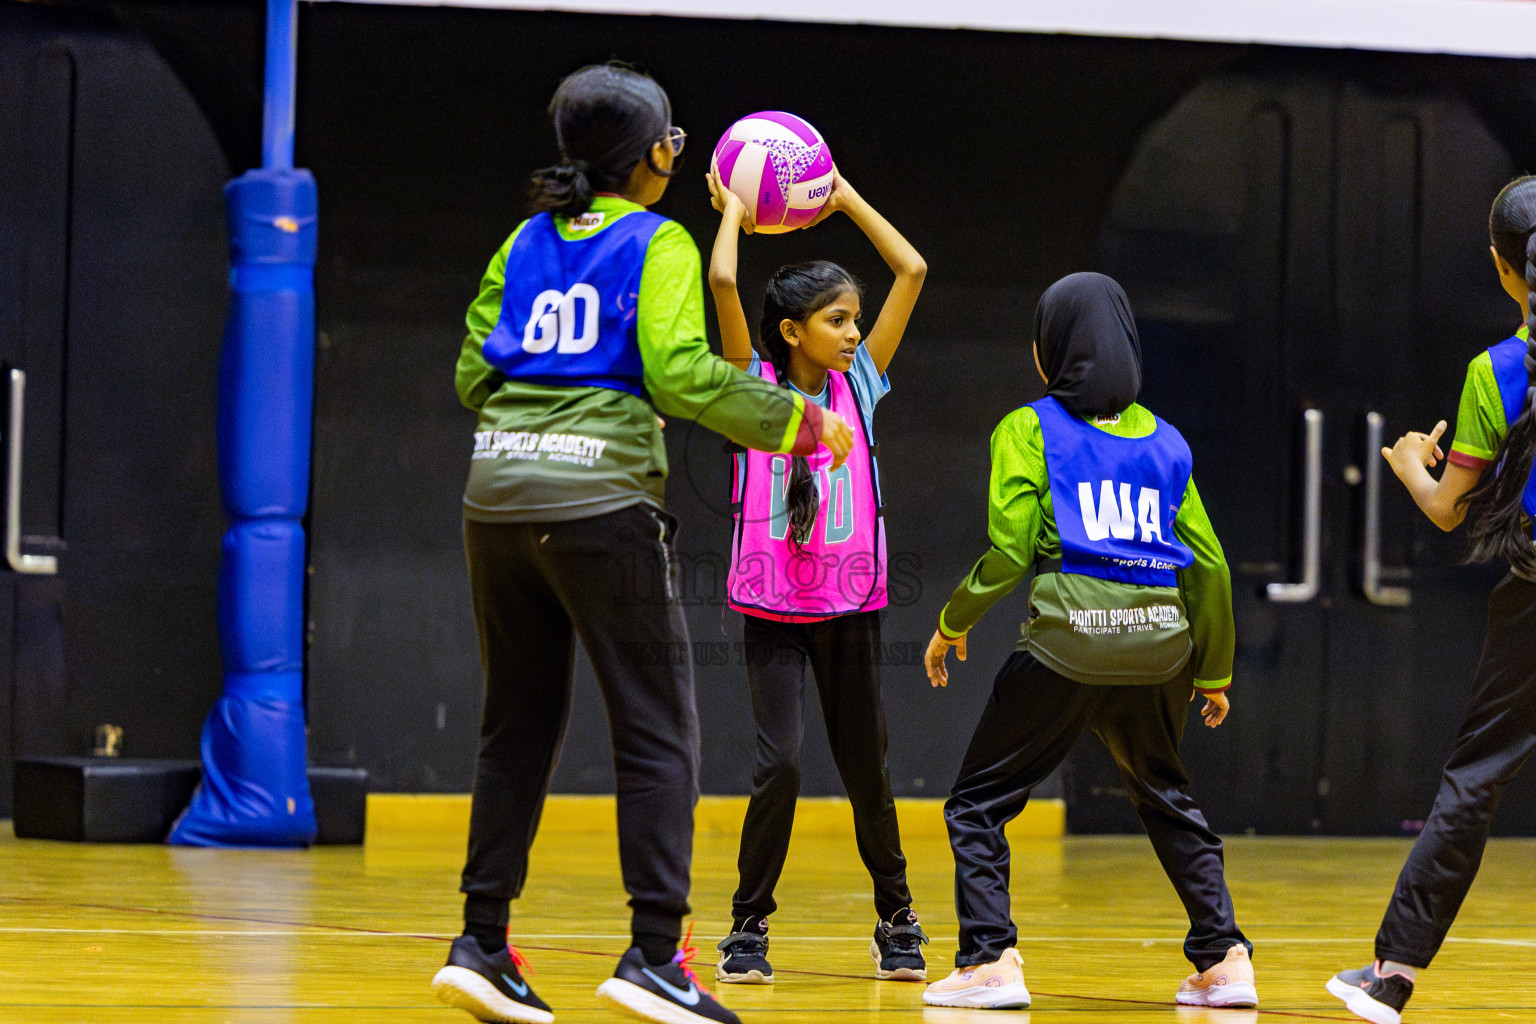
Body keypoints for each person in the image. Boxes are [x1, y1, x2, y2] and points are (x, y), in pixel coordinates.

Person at [429, 63, 854, 1024]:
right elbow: (683, 375)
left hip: (494, 497)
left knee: (514, 725)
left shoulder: (523, 241)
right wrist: (796, 419)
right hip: (598, 501)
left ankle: (481, 941)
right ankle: (655, 954)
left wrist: (542, 406)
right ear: (652, 155)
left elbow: (469, 374)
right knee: (659, 729)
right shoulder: (657, 241)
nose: (680, 153)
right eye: (674, 138)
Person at [921, 273, 1256, 1011]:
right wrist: (1214, 673)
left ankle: (988, 960)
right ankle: (1225, 959)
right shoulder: (1166, 441)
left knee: (977, 804)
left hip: (1069, 641)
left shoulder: (1028, 427)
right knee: (1167, 796)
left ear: (1049, 352)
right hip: (1160, 646)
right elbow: (1211, 566)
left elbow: (1009, 553)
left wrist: (953, 624)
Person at [702, 168, 930, 985]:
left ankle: (897, 916)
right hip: (771, 608)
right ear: (792, 331)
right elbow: (725, 278)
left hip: (851, 607)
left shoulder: (858, 387)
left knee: (867, 764)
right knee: (783, 765)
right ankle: (748, 928)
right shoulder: (750, 391)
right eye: (837, 321)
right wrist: (733, 209)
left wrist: (843, 199)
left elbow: (913, 270)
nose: (851, 333)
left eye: (854, 321)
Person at [1327, 175, 1536, 1024]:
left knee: (1475, 781)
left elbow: (1451, 506)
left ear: (1502, 268)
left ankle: (1392, 976)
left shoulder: (1498, 373)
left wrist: (1412, 460)